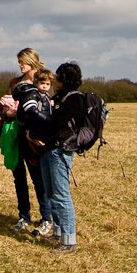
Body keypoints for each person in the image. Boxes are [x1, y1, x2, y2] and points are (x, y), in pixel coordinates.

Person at [0, 48, 52, 235]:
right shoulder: (15, 83)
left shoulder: (44, 81)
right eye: (19, 62)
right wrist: (6, 112)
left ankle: (46, 219)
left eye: (22, 61)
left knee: (39, 179)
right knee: (18, 178)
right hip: (15, 136)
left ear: (31, 61)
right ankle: (24, 217)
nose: (19, 65)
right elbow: (2, 109)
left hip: (35, 139)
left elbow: (48, 109)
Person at [38, 62, 84, 253]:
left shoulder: (75, 100)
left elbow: (54, 123)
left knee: (61, 195)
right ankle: (58, 232)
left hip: (61, 151)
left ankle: (69, 241)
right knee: (51, 194)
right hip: (49, 150)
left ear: (65, 79)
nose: (55, 79)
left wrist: (35, 132)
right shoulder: (59, 97)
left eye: (57, 76)